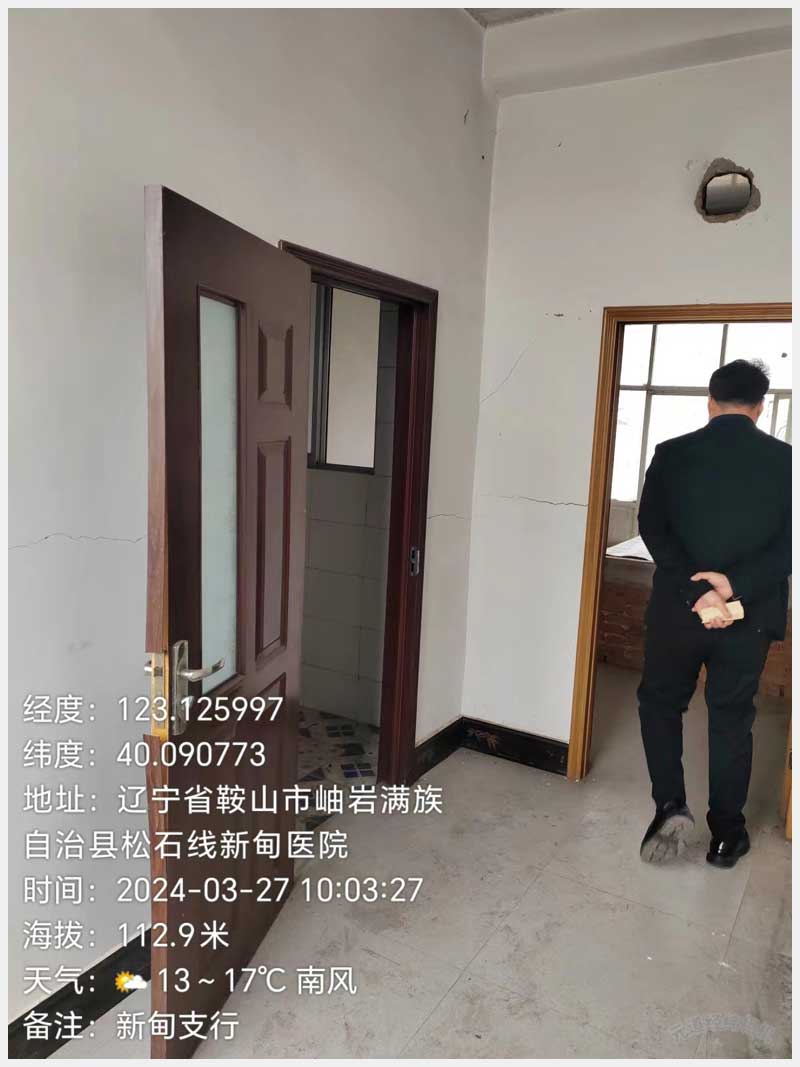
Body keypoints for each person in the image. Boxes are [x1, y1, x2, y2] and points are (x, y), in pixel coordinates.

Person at [636, 357, 791, 868]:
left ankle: (669, 805)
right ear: (760, 407)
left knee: (661, 704)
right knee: (731, 718)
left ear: (710, 401)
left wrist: (697, 591)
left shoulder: (671, 453)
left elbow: (653, 528)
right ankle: (727, 837)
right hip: (750, 617)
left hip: (678, 614)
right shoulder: (788, 462)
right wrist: (734, 585)